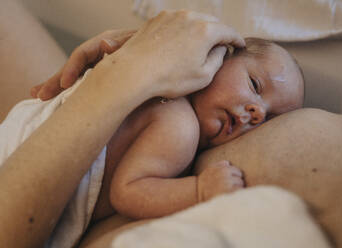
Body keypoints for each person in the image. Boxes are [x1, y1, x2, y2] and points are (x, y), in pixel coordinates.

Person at [0, 1, 245, 247]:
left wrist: (128, 69)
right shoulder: (177, 121)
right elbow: (128, 192)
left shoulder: (176, 118)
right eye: (255, 84)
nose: (258, 111)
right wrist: (199, 191)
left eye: (270, 115)